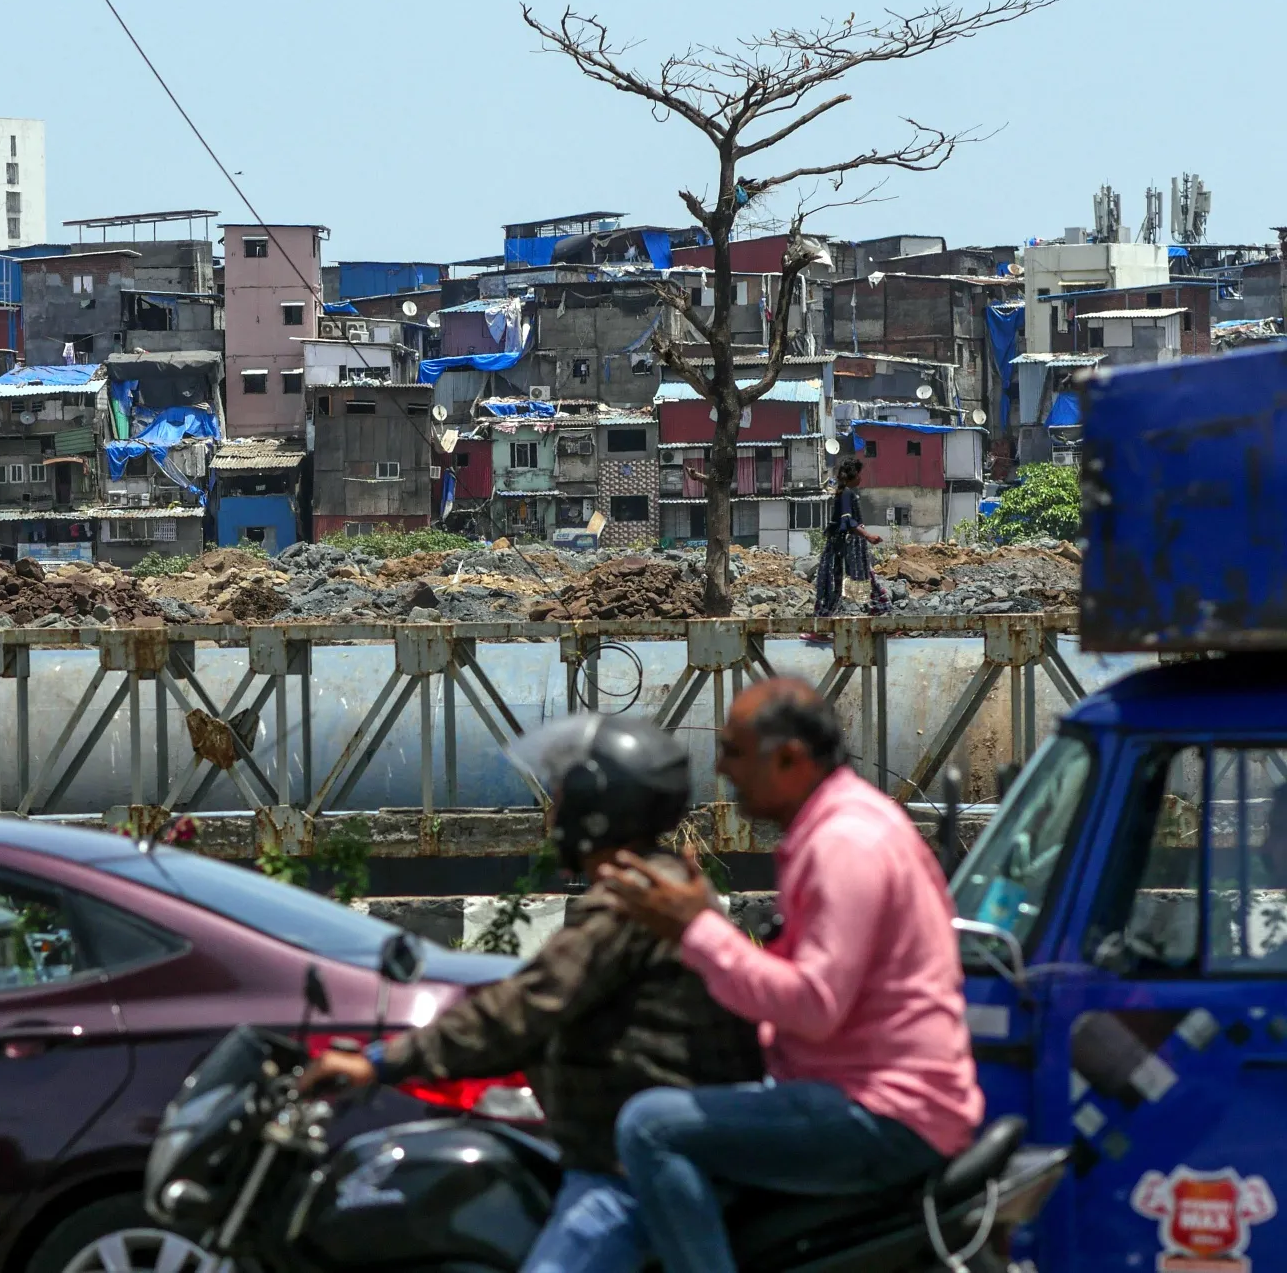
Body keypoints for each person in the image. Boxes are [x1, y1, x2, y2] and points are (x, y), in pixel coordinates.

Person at [301, 715, 762, 1273]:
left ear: (596, 806)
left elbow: (526, 1006)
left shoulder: (631, 901)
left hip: (624, 1176)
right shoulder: (656, 885)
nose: (552, 812)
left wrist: (380, 1063)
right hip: (627, 1149)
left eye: (564, 794)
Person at [592, 677, 982, 1273]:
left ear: (790, 759)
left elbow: (814, 1003)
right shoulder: (842, 827)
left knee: (650, 1128)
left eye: (733, 752)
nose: (721, 768)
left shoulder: (844, 843)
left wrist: (697, 930)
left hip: (880, 1111)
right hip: (858, 1093)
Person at [813, 457, 890, 618]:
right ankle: (882, 611)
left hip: (841, 545)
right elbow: (848, 521)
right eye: (859, 475)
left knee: (840, 581)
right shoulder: (847, 494)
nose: (861, 478)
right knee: (840, 581)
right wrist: (868, 536)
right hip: (845, 546)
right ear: (854, 476)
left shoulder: (842, 492)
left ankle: (882, 611)